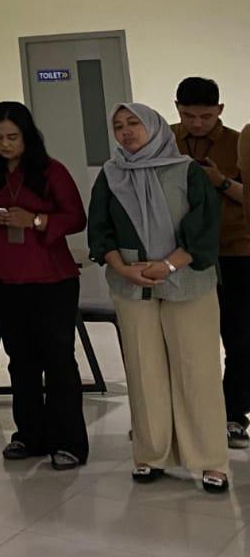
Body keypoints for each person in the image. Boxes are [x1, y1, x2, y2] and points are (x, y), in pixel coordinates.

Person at [89, 102, 229, 493]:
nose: (126, 131)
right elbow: (100, 230)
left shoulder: (186, 170)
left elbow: (205, 228)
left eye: (134, 123)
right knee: (142, 368)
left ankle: (210, 460)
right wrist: (123, 268)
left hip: (188, 281)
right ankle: (151, 455)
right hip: (132, 283)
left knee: (196, 370)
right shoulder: (111, 174)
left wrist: (168, 266)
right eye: (118, 125)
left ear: (153, 126)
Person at [0, 101, 89, 469]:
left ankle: (68, 441)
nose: (5, 144)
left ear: (27, 136)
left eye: (12, 137)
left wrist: (35, 220)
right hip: (5, 275)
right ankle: (30, 434)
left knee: (58, 359)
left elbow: (75, 217)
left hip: (51, 278)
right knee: (20, 358)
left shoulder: (51, 170)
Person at [177, 78, 250, 449]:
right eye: (188, 115)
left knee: (240, 338)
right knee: (188, 339)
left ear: (220, 110)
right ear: (177, 109)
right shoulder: (166, 140)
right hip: (183, 253)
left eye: (205, 116)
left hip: (235, 250)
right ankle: (188, 418)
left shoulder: (238, 142)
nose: (197, 123)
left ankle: (234, 415)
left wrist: (220, 182)